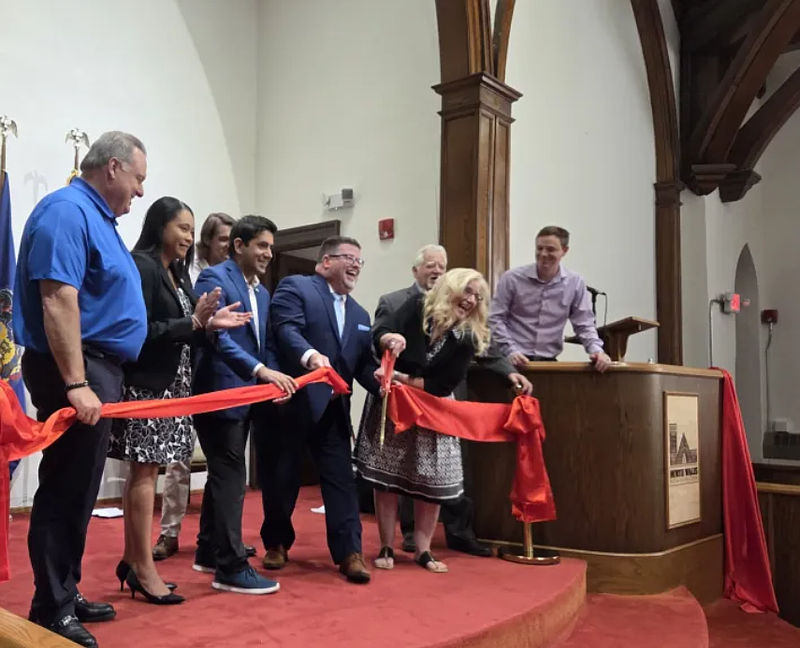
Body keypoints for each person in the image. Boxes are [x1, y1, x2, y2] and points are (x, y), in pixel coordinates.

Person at [13, 131, 149, 646]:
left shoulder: (98, 219)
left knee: (81, 488)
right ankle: (50, 606)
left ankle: (62, 592)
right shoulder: (67, 211)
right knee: (67, 487)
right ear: (112, 167)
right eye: (138, 179)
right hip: (76, 370)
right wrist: (76, 382)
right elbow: (57, 300)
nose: (139, 192)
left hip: (96, 369)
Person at [107, 197, 251, 607]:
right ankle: (142, 566)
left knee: (151, 473)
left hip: (176, 387)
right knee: (144, 476)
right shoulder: (144, 266)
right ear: (160, 227)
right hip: (149, 387)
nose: (189, 236)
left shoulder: (178, 274)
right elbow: (138, 331)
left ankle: (132, 559)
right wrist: (192, 322)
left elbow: (188, 328)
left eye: (191, 229)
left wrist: (209, 326)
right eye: (182, 228)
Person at [356, 268, 525, 573]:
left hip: (432, 406)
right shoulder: (417, 307)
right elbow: (381, 331)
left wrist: (402, 377)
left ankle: (423, 550)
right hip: (394, 402)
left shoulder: (468, 336)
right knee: (386, 478)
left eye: (478, 296)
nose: (472, 300)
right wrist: (390, 338)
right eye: (468, 291)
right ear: (452, 288)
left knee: (432, 481)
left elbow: (441, 385)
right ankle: (386, 546)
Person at [259, 235, 387, 584]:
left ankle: (349, 552)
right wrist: (310, 358)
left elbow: (361, 365)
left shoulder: (361, 315)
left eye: (360, 261)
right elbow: (286, 330)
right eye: (349, 257)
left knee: (341, 481)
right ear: (325, 262)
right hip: (292, 402)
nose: (356, 265)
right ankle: (276, 543)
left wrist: (383, 385)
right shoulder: (297, 288)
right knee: (282, 478)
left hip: (333, 410)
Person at [192, 215, 296, 595]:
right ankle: (231, 566)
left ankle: (207, 550)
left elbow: (263, 343)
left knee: (224, 474)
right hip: (219, 393)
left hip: (249, 395)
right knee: (231, 477)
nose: (269, 253)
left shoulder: (263, 293)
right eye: (262, 246)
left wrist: (275, 379)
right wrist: (261, 370)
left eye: (271, 246)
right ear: (239, 246)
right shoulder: (213, 279)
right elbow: (219, 340)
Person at [153, 210, 240, 563]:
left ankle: (217, 536)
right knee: (178, 460)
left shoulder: (234, 278)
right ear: (207, 241)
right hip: (181, 378)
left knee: (222, 464)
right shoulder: (185, 273)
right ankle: (168, 533)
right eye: (222, 240)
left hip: (213, 380)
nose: (229, 247)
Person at [489, 225, 612, 372]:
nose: (543, 254)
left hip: (548, 363)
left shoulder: (574, 282)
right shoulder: (512, 278)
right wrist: (510, 350)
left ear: (564, 251)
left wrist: (597, 350)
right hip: (510, 361)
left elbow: (584, 323)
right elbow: (495, 318)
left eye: (550, 249)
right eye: (539, 248)